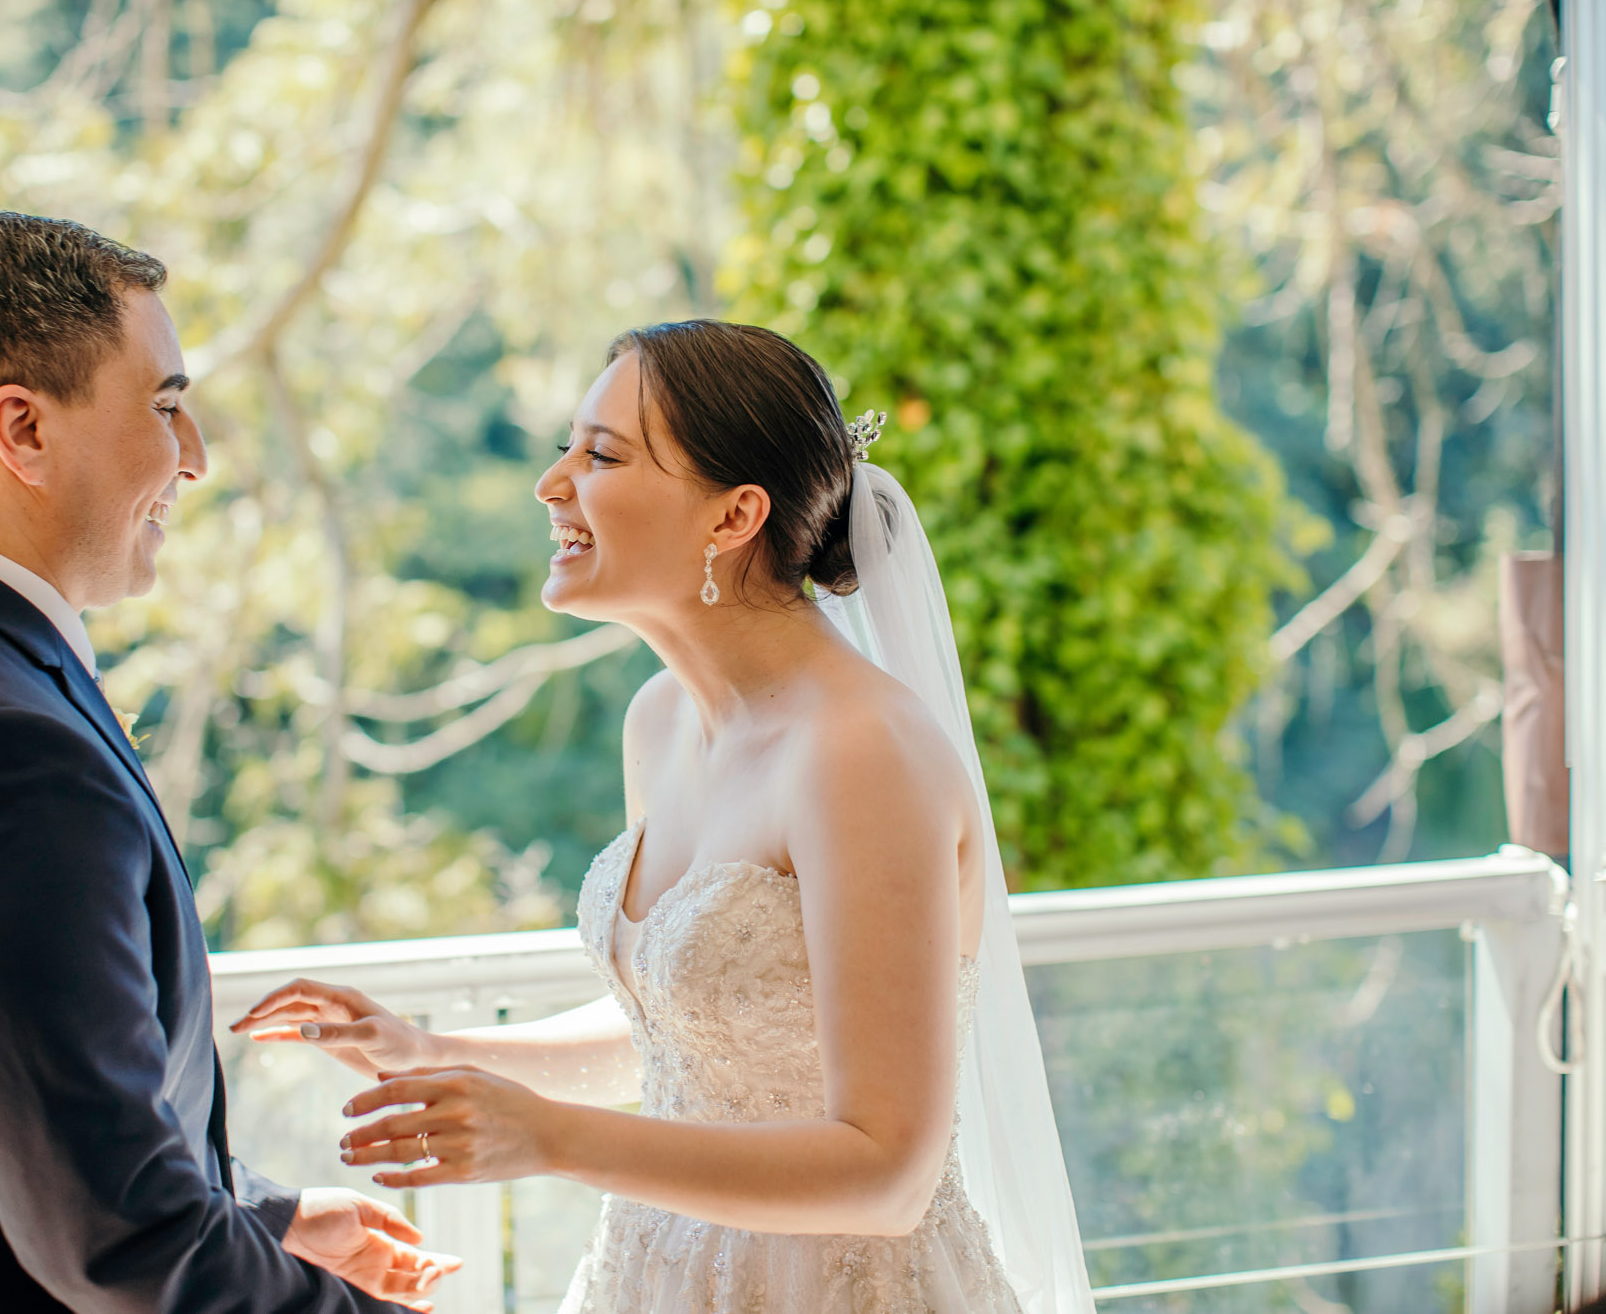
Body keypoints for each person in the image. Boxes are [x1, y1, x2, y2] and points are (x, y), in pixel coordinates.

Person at [233, 320, 1096, 1312]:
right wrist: (433, 1052)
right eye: (568, 446)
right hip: (656, 1273)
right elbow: (688, 1037)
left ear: (731, 518)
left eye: (600, 455)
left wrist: (549, 1138)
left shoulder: (861, 754)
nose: (550, 483)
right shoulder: (658, 724)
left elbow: (887, 1174)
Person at [0, 210, 458, 1313]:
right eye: (166, 405)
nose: (197, 456)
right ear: (22, 430)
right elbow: (124, 1244)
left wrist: (266, 1216)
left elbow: (6, 1112)